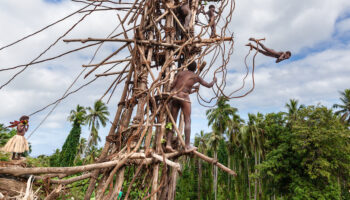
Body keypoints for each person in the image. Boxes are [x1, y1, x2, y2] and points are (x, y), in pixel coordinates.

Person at [166, 61, 216, 151]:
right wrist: (214, 81)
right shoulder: (195, 77)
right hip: (183, 96)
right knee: (187, 120)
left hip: (174, 95)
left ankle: (168, 144)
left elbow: (173, 85)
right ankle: (187, 146)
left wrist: (192, 89)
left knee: (172, 120)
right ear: (195, 68)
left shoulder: (180, 73)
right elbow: (209, 85)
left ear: (187, 67)